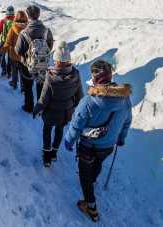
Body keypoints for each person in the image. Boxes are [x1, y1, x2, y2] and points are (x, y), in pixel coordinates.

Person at [64, 60, 132, 222]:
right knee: (98, 163)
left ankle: (91, 207)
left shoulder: (89, 101)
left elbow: (77, 123)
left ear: (95, 78)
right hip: (108, 146)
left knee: (84, 175)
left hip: (88, 146)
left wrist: (69, 140)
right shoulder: (124, 99)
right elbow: (127, 121)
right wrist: (121, 138)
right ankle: (93, 179)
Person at [33, 41, 83, 167]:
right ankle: (54, 153)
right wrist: (72, 107)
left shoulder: (50, 77)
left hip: (50, 113)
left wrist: (37, 108)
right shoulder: (76, 75)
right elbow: (79, 97)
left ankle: (46, 157)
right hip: (66, 113)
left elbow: (44, 99)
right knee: (59, 130)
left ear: (56, 61)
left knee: (47, 131)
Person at [15, 4, 54, 113]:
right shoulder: (47, 31)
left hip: (27, 65)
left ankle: (29, 106)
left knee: (28, 87)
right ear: (38, 15)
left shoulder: (24, 33)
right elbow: (50, 45)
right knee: (41, 85)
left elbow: (18, 50)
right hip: (43, 64)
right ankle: (40, 107)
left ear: (28, 16)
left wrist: (27, 55)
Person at [0, 10, 28, 90]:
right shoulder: (28, 28)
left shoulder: (13, 28)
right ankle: (23, 88)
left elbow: (8, 42)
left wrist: (2, 50)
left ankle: (14, 84)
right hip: (24, 55)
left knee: (14, 71)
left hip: (13, 54)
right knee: (22, 72)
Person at [0, 5, 15, 77]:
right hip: (12, 42)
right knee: (10, 57)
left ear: (7, 12)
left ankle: (4, 70)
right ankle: (9, 72)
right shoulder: (15, 21)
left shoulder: (3, 21)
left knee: (1, 54)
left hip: (4, 42)